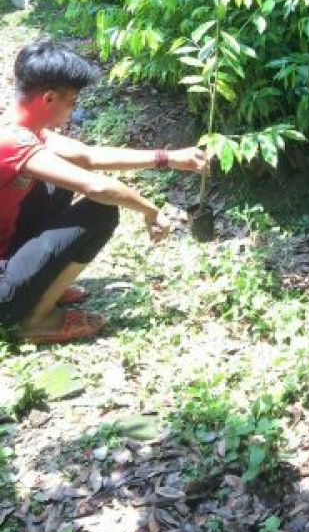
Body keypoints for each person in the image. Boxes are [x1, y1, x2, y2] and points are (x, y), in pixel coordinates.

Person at [0, 38, 207, 344]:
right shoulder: (12, 141)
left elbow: (89, 157)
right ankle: (37, 319)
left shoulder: (21, 128)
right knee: (101, 210)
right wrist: (150, 210)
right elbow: (96, 185)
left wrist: (171, 158)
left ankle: (45, 285)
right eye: (72, 102)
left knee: (58, 182)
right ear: (48, 98)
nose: (73, 109)